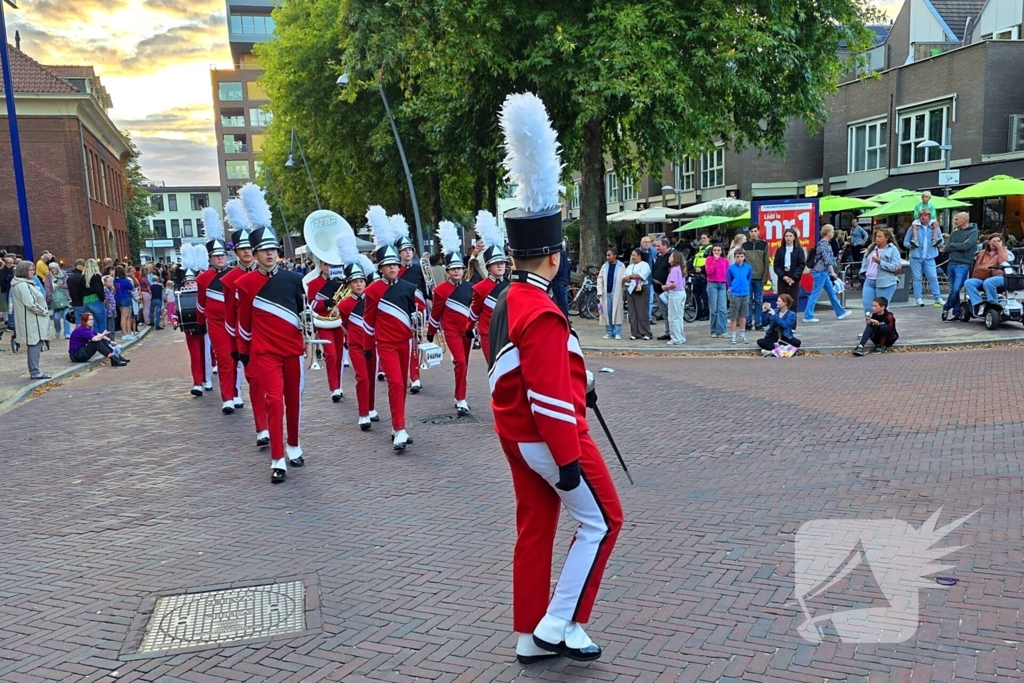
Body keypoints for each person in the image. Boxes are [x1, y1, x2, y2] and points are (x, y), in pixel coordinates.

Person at [491, 92, 622, 664]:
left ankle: (532, 633)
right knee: (604, 521)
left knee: (537, 527)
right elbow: (545, 394)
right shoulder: (541, 309)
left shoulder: (507, 298)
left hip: (516, 434)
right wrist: (568, 458)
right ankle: (559, 622)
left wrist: (581, 378)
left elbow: (528, 371)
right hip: (551, 435)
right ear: (551, 256)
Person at [236, 221, 308, 483]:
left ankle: (294, 445)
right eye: (263, 250)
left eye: (273, 249)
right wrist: (243, 353)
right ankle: (277, 459)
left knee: (294, 401)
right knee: (274, 401)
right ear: (254, 254)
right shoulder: (245, 284)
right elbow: (243, 324)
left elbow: (303, 314)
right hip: (266, 353)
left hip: (293, 351)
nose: (269, 254)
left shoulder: (294, 279)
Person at [363, 205, 426, 450]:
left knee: (401, 385)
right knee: (397, 383)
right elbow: (368, 322)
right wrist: (369, 347)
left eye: (395, 265)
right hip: (386, 345)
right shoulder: (372, 291)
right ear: (380, 268)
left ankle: (397, 425)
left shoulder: (408, 287)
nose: (392, 268)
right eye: (387, 266)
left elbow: (417, 310)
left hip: (405, 342)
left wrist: (420, 321)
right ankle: (399, 429)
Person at [221, 192, 267, 445]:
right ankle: (262, 428)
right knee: (256, 384)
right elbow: (230, 319)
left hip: (271, 338)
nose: (248, 252)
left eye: (251, 248)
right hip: (247, 340)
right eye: (243, 249)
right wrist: (236, 347)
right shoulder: (229, 280)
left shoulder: (270, 277)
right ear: (236, 252)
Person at [195, 208, 241, 415]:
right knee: (224, 359)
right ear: (210, 258)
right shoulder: (202, 279)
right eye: (216, 256)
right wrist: (199, 323)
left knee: (239, 359)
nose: (220, 258)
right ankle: (227, 398)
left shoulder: (235, 274)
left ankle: (237, 392)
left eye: (222, 255)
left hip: (236, 322)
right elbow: (200, 304)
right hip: (215, 324)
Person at [427, 221, 475, 415]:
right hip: (451, 331)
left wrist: (475, 328)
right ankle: (462, 400)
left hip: (467, 331)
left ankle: (459, 395)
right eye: (453, 269)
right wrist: (430, 333)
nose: (457, 271)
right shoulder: (440, 291)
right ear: (447, 271)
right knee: (460, 362)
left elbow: (474, 311)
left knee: (465, 364)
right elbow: (436, 313)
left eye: (459, 268)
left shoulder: (471, 288)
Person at [337, 255, 379, 431]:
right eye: (355, 282)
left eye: (362, 280)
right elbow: (344, 325)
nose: (359, 284)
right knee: (361, 378)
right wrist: (351, 339)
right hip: (355, 345)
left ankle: (370, 408)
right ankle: (363, 414)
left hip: (372, 344)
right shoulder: (344, 305)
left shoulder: (372, 299)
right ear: (349, 285)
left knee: (371, 377)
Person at [468, 210, 509, 360]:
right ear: (489, 267)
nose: (500, 266)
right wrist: (469, 327)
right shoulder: (480, 288)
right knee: (494, 370)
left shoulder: (512, 286)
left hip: (508, 334)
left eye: (502, 263)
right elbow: (474, 311)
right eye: (496, 263)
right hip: (487, 334)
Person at [307, 257, 348, 403]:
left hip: (339, 321)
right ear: (320, 265)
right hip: (323, 322)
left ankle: (339, 384)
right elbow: (310, 305)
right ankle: (334, 388)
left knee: (339, 355)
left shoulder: (342, 282)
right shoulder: (313, 283)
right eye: (325, 264)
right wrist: (324, 302)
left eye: (331, 264)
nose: (328, 267)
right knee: (331, 354)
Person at [395, 216, 428, 394]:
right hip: (401, 311)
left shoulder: (419, 268)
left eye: (410, 250)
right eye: (404, 250)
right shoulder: (394, 270)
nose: (407, 253)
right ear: (399, 253)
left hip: (418, 311)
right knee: (402, 344)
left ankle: (415, 377)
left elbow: (424, 288)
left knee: (416, 343)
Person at [171, 248, 209, 397]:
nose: (190, 285)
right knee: (195, 356)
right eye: (187, 283)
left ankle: (206, 380)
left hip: (205, 329)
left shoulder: (203, 294)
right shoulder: (181, 296)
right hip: (191, 330)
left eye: (192, 282)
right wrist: (175, 321)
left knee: (206, 355)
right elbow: (177, 312)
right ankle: (197, 383)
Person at [11, 261, 54, 379]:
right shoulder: (23, 285)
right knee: (34, 343)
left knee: (35, 344)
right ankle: (35, 371)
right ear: (24, 271)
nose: (33, 272)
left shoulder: (25, 284)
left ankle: (35, 370)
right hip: (32, 321)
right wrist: (43, 311)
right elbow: (30, 303)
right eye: (31, 269)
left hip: (32, 320)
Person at [802, 224, 850, 323]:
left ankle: (840, 312)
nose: (833, 233)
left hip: (822, 272)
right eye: (832, 231)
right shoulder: (824, 244)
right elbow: (827, 260)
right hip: (820, 272)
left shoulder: (824, 244)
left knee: (831, 292)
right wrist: (833, 273)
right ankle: (807, 315)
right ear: (827, 232)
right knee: (815, 294)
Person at [941, 213, 978, 322]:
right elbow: (947, 248)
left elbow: (967, 246)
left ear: (964, 220)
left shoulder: (973, 231)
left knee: (956, 288)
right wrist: (956, 246)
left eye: (957, 219)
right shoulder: (954, 232)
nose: (955, 221)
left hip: (963, 263)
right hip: (951, 263)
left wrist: (953, 246)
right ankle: (956, 313)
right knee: (953, 289)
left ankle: (946, 307)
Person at [903, 208, 944, 307]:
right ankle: (918, 298)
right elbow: (905, 242)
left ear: (929, 217)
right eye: (921, 216)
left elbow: (941, 242)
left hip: (929, 257)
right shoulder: (913, 228)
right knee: (917, 278)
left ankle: (937, 298)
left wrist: (937, 243)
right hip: (916, 257)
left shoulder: (934, 227)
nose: (923, 217)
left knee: (933, 277)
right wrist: (911, 245)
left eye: (925, 216)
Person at [964, 234, 1011, 317]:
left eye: (998, 241)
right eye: (994, 241)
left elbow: (1003, 262)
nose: (996, 243)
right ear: (989, 242)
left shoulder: (1004, 251)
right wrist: (975, 276)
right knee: (968, 282)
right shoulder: (983, 252)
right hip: (983, 276)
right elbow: (977, 266)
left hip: (999, 276)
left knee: (988, 282)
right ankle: (978, 303)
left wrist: (999, 248)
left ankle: (993, 305)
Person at [859, 228, 902, 315]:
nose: (877, 238)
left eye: (879, 236)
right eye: (876, 236)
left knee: (881, 309)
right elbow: (865, 262)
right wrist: (863, 272)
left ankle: (883, 327)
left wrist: (880, 262)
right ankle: (870, 327)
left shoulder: (893, 249)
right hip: (869, 281)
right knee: (868, 308)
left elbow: (894, 267)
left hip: (885, 282)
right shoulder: (872, 248)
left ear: (886, 238)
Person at [744, 226, 770, 330]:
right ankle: (748, 323)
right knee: (748, 301)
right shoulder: (745, 245)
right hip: (748, 277)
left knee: (759, 301)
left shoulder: (764, 244)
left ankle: (758, 323)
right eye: (751, 231)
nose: (753, 233)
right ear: (749, 233)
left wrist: (765, 277)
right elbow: (743, 262)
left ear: (758, 232)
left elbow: (766, 262)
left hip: (759, 277)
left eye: (755, 231)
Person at [622, 248, 652, 340]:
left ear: (639, 256)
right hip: (630, 289)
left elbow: (641, 276)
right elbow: (623, 278)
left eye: (634, 255)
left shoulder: (645, 265)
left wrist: (630, 276)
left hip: (640, 289)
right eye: (632, 255)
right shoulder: (630, 266)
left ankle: (646, 332)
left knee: (642, 312)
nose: (632, 257)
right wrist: (626, 278)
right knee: (632, 312)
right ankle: (635, 332)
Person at [596, 249, 624, 339]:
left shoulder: (621, 266)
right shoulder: (604, 266)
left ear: (615, 256)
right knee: (606, 312)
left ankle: (617, 332)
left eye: (609, 255)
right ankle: (609, 332)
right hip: (605, 293)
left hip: (617, 292)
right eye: (607, 255)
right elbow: (600, 279)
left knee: (617, 312)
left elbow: (624, 279)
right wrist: (599, 291)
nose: (607, 257)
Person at [726, 249, 752, 343]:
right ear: (735, 257)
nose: (739, 258)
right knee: (733, 315)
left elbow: (748, 278)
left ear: (744, 257)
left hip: (745, 293)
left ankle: (742, 335)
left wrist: (746, 287)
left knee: (743, 315)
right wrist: (732, 287)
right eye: (737, 256)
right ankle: (733, 335)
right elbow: (729, 280)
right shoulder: (731, 268)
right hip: (735, 294)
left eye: (741, 256)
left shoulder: (748, 267)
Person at [662, 250, 687, 345]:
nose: (669, 258)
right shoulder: (680, 268)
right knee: (679, 316)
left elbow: (673, 284)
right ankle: (680, 337)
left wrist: (665, 287)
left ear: (675, 259)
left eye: (671, 256)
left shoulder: (674, 269)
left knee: (673, 317)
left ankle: (676, 338)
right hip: (681, 293)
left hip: (675, 293)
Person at [651, 237, 674, 339]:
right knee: (664, 313)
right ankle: (668, 332)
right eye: (656, 246)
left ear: (665, 246)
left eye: (659, 246)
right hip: (658, 289)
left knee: (671, 312)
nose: (657, 248)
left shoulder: (671, 257)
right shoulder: (659, 256)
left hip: (667, 289)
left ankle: (672, 333)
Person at [705, 243, 729, 337]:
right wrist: (715, 261)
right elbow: (709, 272)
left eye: (718, 250)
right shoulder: (709, 259)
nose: (716, 252)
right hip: (712, 284)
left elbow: (727, 274)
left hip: (722, 284)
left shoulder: (725, 260)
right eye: (715, 250)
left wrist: (728, 286)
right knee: (714, 309)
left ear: (721, 251)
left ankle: (723, 330)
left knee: (722, 309)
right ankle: (713, 330)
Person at [45, 261, 72, 340]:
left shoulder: (64, 275)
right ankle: (57, 330)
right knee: (56, 317)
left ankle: (67, 333)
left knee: (66, 316)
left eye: (53, 268)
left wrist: (60, 286)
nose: (52, 270)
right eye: (51, 269)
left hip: (64, 297)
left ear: (57, 269)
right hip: (55, 299)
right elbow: (47, 287)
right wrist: (49, 296)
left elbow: (68, 285)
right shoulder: (49, 277)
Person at [81, 259, 107, 334]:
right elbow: (98, 290)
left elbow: (79, 291)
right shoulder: (96, 276)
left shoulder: (83, 277)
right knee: (102, 323)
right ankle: (103, 342)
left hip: (86, 301)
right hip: (96, 300)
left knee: (92, 324)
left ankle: (95, 341)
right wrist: (103, 299)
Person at [638, 235, 655, 325]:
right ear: (641, 243)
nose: (647, 244)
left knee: (650, 300)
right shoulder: (637, 252)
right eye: (645, 242)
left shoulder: (653, 251)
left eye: (648, 242)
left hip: (651, 280)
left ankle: (649, 318)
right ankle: (642, 318)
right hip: (640, 281)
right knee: (641, 300)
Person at [66, 259, 87, 325]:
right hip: (82, 303)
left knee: (78, 323)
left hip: (75, 302)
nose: (85, 267)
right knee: (86, 322)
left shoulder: (70, 277)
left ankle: (78, 334)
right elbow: (83, 291)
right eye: (84, 265)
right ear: (79, 266)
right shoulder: (81, 277)